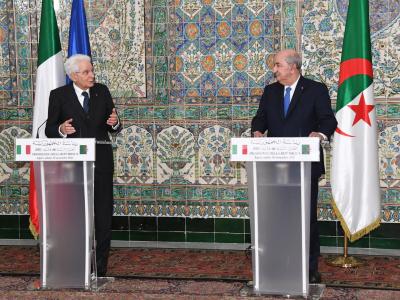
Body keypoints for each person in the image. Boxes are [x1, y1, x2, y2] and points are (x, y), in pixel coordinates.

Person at [251, 49, 337, 284]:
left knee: (305, 217)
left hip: (304, 165)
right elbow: (260, 118)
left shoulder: (315, 89)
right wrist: (257, 131)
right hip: (274, 165)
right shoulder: (270, 92)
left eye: (278, 65)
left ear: (292, 67)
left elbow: (328, 119)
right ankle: (278, 262)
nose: (274, 69)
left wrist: (318, 134)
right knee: (276, 216)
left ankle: (309, 268)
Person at [45, 54, 121, 277]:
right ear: (73, 75)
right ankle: (76, 266)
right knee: (74, 217)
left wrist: (115, 123)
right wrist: (61, 130)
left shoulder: (102, 91)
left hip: (102, 164)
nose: (92, 75)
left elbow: (113, 122)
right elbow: (50, 129)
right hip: (73, 167)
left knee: (103, 216)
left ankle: (100, 269)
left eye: (92, 70)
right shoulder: (58, 95)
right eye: (86, 72)